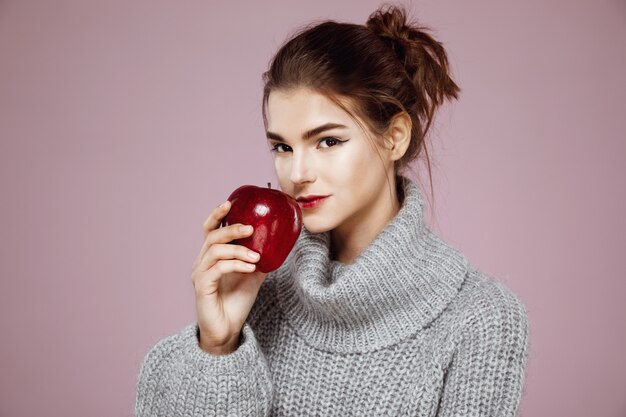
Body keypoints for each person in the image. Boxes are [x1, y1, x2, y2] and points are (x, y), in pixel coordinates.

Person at [134, 4, 530, 416]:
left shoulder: (480, 318)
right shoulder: (254, 293)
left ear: (394, 137)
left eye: (327, 141)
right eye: (283, 147)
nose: (298, 173)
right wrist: (218, 345)